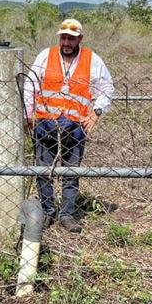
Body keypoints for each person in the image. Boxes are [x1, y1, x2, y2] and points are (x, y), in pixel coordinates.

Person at [23, 18, 114, 233]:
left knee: (71, 173)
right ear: (59, 38)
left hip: (75, 128)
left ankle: (67, 214)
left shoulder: (93, 60)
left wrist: (96, 112)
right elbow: (30, 85)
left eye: (71, 39)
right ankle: (47, 212)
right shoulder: (45, 56)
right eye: (63, 37)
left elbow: (107, 88)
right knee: (43, 171)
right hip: (45, 125)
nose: (67, 42)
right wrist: (28, 116)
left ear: (79, 39)